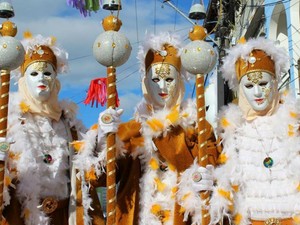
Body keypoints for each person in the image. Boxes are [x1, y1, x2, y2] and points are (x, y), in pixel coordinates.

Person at [74, 32, 219, 225]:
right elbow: (100, 178)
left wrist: (206, 176)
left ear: (179, 82)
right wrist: (103, 138)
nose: (162, 87)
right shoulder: (132, 131)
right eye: (155, 80)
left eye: (169, 80)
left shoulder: (196, 127)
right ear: (145, 82)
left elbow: (215, 166)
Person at [1, 33, 103, 225]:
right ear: (23, 80)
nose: (42, 78)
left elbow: (92, 169)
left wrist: (104, 135)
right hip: (23, 216)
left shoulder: (69, 123)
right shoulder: (9, 121)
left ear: (56, 80)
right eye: (34, 73)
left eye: (47, 73)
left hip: (66, 217)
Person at [209, 37, 300, 225]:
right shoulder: (231, 132)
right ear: (240, 90)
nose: (257, 93)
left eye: (263, 84)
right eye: (249, 86)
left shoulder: (295, 123)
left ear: (274, 83)